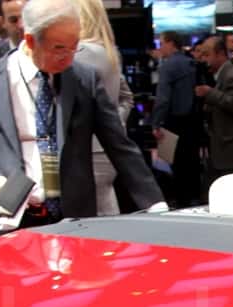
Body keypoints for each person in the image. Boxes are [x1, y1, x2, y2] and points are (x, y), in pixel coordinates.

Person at [0, 0, 165, 240]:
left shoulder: (83, 79)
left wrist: (155, 204)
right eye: (59, 48)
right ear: (30, 41)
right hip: (8, 219)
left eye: (74, 47)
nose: (68, 58)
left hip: (72, 219)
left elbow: (119, 144)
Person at [74, 0, 133, 215]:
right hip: (103, 149)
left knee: (93, 214)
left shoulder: (82, 53)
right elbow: (126, 98)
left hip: (88, 150)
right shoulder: (109, 52)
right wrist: (114, 126)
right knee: (104, 206)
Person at [195, 35, 233, 184]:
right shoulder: (223, 73)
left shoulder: (231, 74)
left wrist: (210, 93)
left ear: (220, 53)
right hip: (228, 146)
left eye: (207, 55)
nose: (204, 60)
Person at [152, 30, 200, 208]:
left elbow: (163, 99)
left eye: (161, 43)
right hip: (194, 121)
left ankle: (181, 203)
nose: (160, 48)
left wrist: (156, 123)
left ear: (171, 43)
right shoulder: (192, 63)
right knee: (192, 163)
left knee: (177, 166)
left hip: (174, 122)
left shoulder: (168, 66)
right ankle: (195, 199)